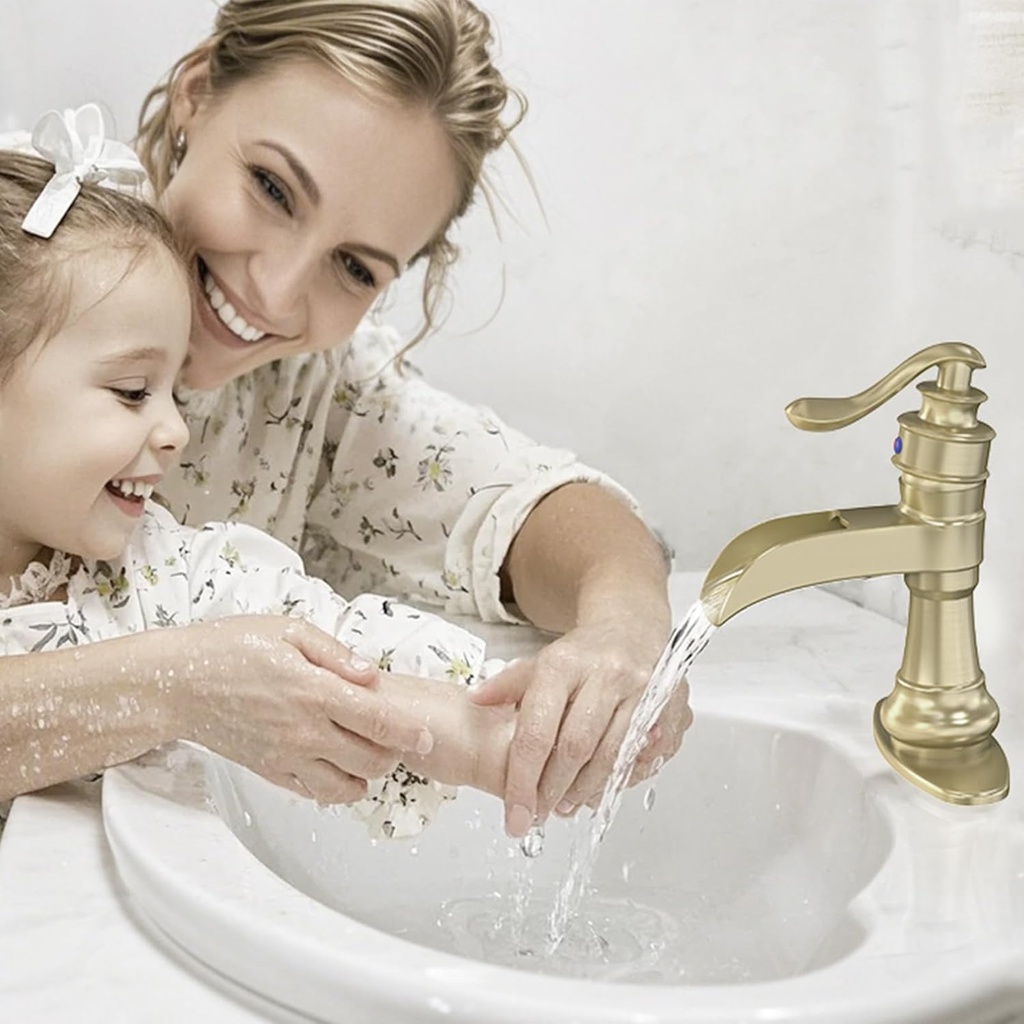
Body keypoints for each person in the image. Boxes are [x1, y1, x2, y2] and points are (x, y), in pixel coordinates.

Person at [7, 0, 692, 840]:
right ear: (195, 92)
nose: (278, 288)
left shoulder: (317, 392)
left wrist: (623, 631)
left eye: (354, 267)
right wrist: (173, 686)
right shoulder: (21, 254)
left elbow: (526, 501)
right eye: (271, 188)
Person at [0, 139, 516, 838]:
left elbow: (336, 657)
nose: (176, 429)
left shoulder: (164, 575)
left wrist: (494, 740)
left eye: (171, 388)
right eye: (131, 392)